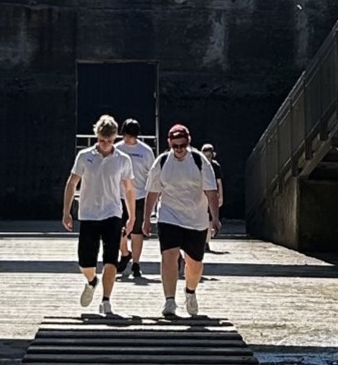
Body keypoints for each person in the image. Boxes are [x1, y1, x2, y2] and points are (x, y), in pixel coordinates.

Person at [143, 123, 220, 317]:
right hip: (169, 215)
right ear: (169, 143)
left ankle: (190, 291)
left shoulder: (200, 161)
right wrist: (146, 219)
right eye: (175, 145)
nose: (179, 149)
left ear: (189, 142)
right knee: (169, 255)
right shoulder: (161, 162)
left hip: (196, 218)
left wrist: (215, 219)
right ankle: (169, 300)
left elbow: (211, 192)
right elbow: (152, 193)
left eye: (182, 145)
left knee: (194, 264)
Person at [63, 115, 136, 316]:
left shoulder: (123, 159)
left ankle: (106, 300)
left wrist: (132, 216)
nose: (105, 144)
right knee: (85, 262)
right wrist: (66, 211)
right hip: (88, 214)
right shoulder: (85, 156)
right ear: (97, 137)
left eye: (109, 141)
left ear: (115, 139)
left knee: (111, 259)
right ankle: (91, 281)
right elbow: (72, 183)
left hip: (112, 213)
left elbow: (129, 189)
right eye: (102, 140)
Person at [116, 118, 154, 279]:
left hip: (139, 196)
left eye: (132, 136)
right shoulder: (116, 149)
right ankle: (125, 253)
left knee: (137, 231)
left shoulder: (145, 151)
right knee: (118, 230)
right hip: (118, 196)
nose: (129, 139)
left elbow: (152, 175)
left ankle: (136, 263)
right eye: (126, 135)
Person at [201, 142, 225, 253]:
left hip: (212, 194)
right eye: (205, 156)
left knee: (210, 219)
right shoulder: (199, 165)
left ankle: (206, 241)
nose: (207, 159)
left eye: (209, 156)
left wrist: (220, 197)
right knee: (203, 217)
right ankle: (202, 240)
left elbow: (219, 182)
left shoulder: (215, 166)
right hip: (201, 195)